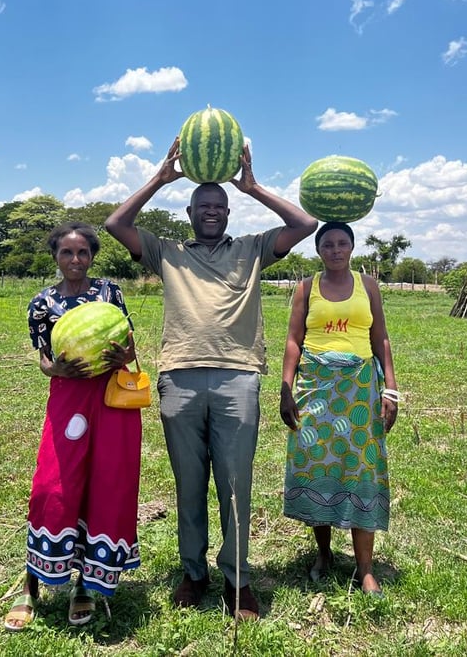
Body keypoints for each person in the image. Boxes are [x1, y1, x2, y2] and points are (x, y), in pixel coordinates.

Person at [105, 138, 317, 620]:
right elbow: (116, 224)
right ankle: (193, 572)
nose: (213, 212)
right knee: (189, 482)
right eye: (204, 206)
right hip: (178, 377)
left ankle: (237, 580)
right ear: (189, 210)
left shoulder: (253, 249)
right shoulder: (167, 252)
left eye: (220, 206)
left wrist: (254, 186)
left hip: (237, 378)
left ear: (228, 211)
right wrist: (160, 177)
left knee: (235, 482)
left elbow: (305, 225)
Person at [4, 222, 142, 631]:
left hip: (110, 398)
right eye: (67, 253)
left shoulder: (109, 292)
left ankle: (85, 585)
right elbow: (43, 358)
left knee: (104, 485)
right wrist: (54, 367)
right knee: (53, 486)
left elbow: (130, 343)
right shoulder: (41, 303)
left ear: (92, 256)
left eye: (83, 253)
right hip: (68, 399)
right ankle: (31, 583)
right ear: (56, 257)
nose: (75, 260)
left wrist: (123, 355)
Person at [279, 221, 398, 596]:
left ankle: (365, 568)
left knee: (361, 468)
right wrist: (286, 389)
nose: (335, 250)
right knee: (320, 465)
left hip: (359, 388)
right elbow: (294, 340)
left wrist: (390, 390)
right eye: (327, 244)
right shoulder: (306, 288)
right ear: (318, 250)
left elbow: (379, 337)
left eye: (342, 243)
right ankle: (324, 554)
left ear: (351, 247)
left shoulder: (368, 286)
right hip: (316, 387)